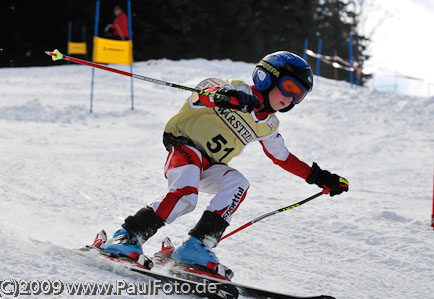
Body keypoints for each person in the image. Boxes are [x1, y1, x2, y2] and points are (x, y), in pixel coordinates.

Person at [97, 51, 349, 277]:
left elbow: (283, 157)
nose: (290, 99)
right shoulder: (236, 89)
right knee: (186, 198)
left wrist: (321, 177)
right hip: (184, 145)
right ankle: (126, 236)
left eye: (299, 95)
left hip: (210, 164)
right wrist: (228, 97)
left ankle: (195, 247)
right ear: (266, 77)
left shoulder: (269, 124)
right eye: (289, 87)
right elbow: (203, 91)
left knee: (238, 182)